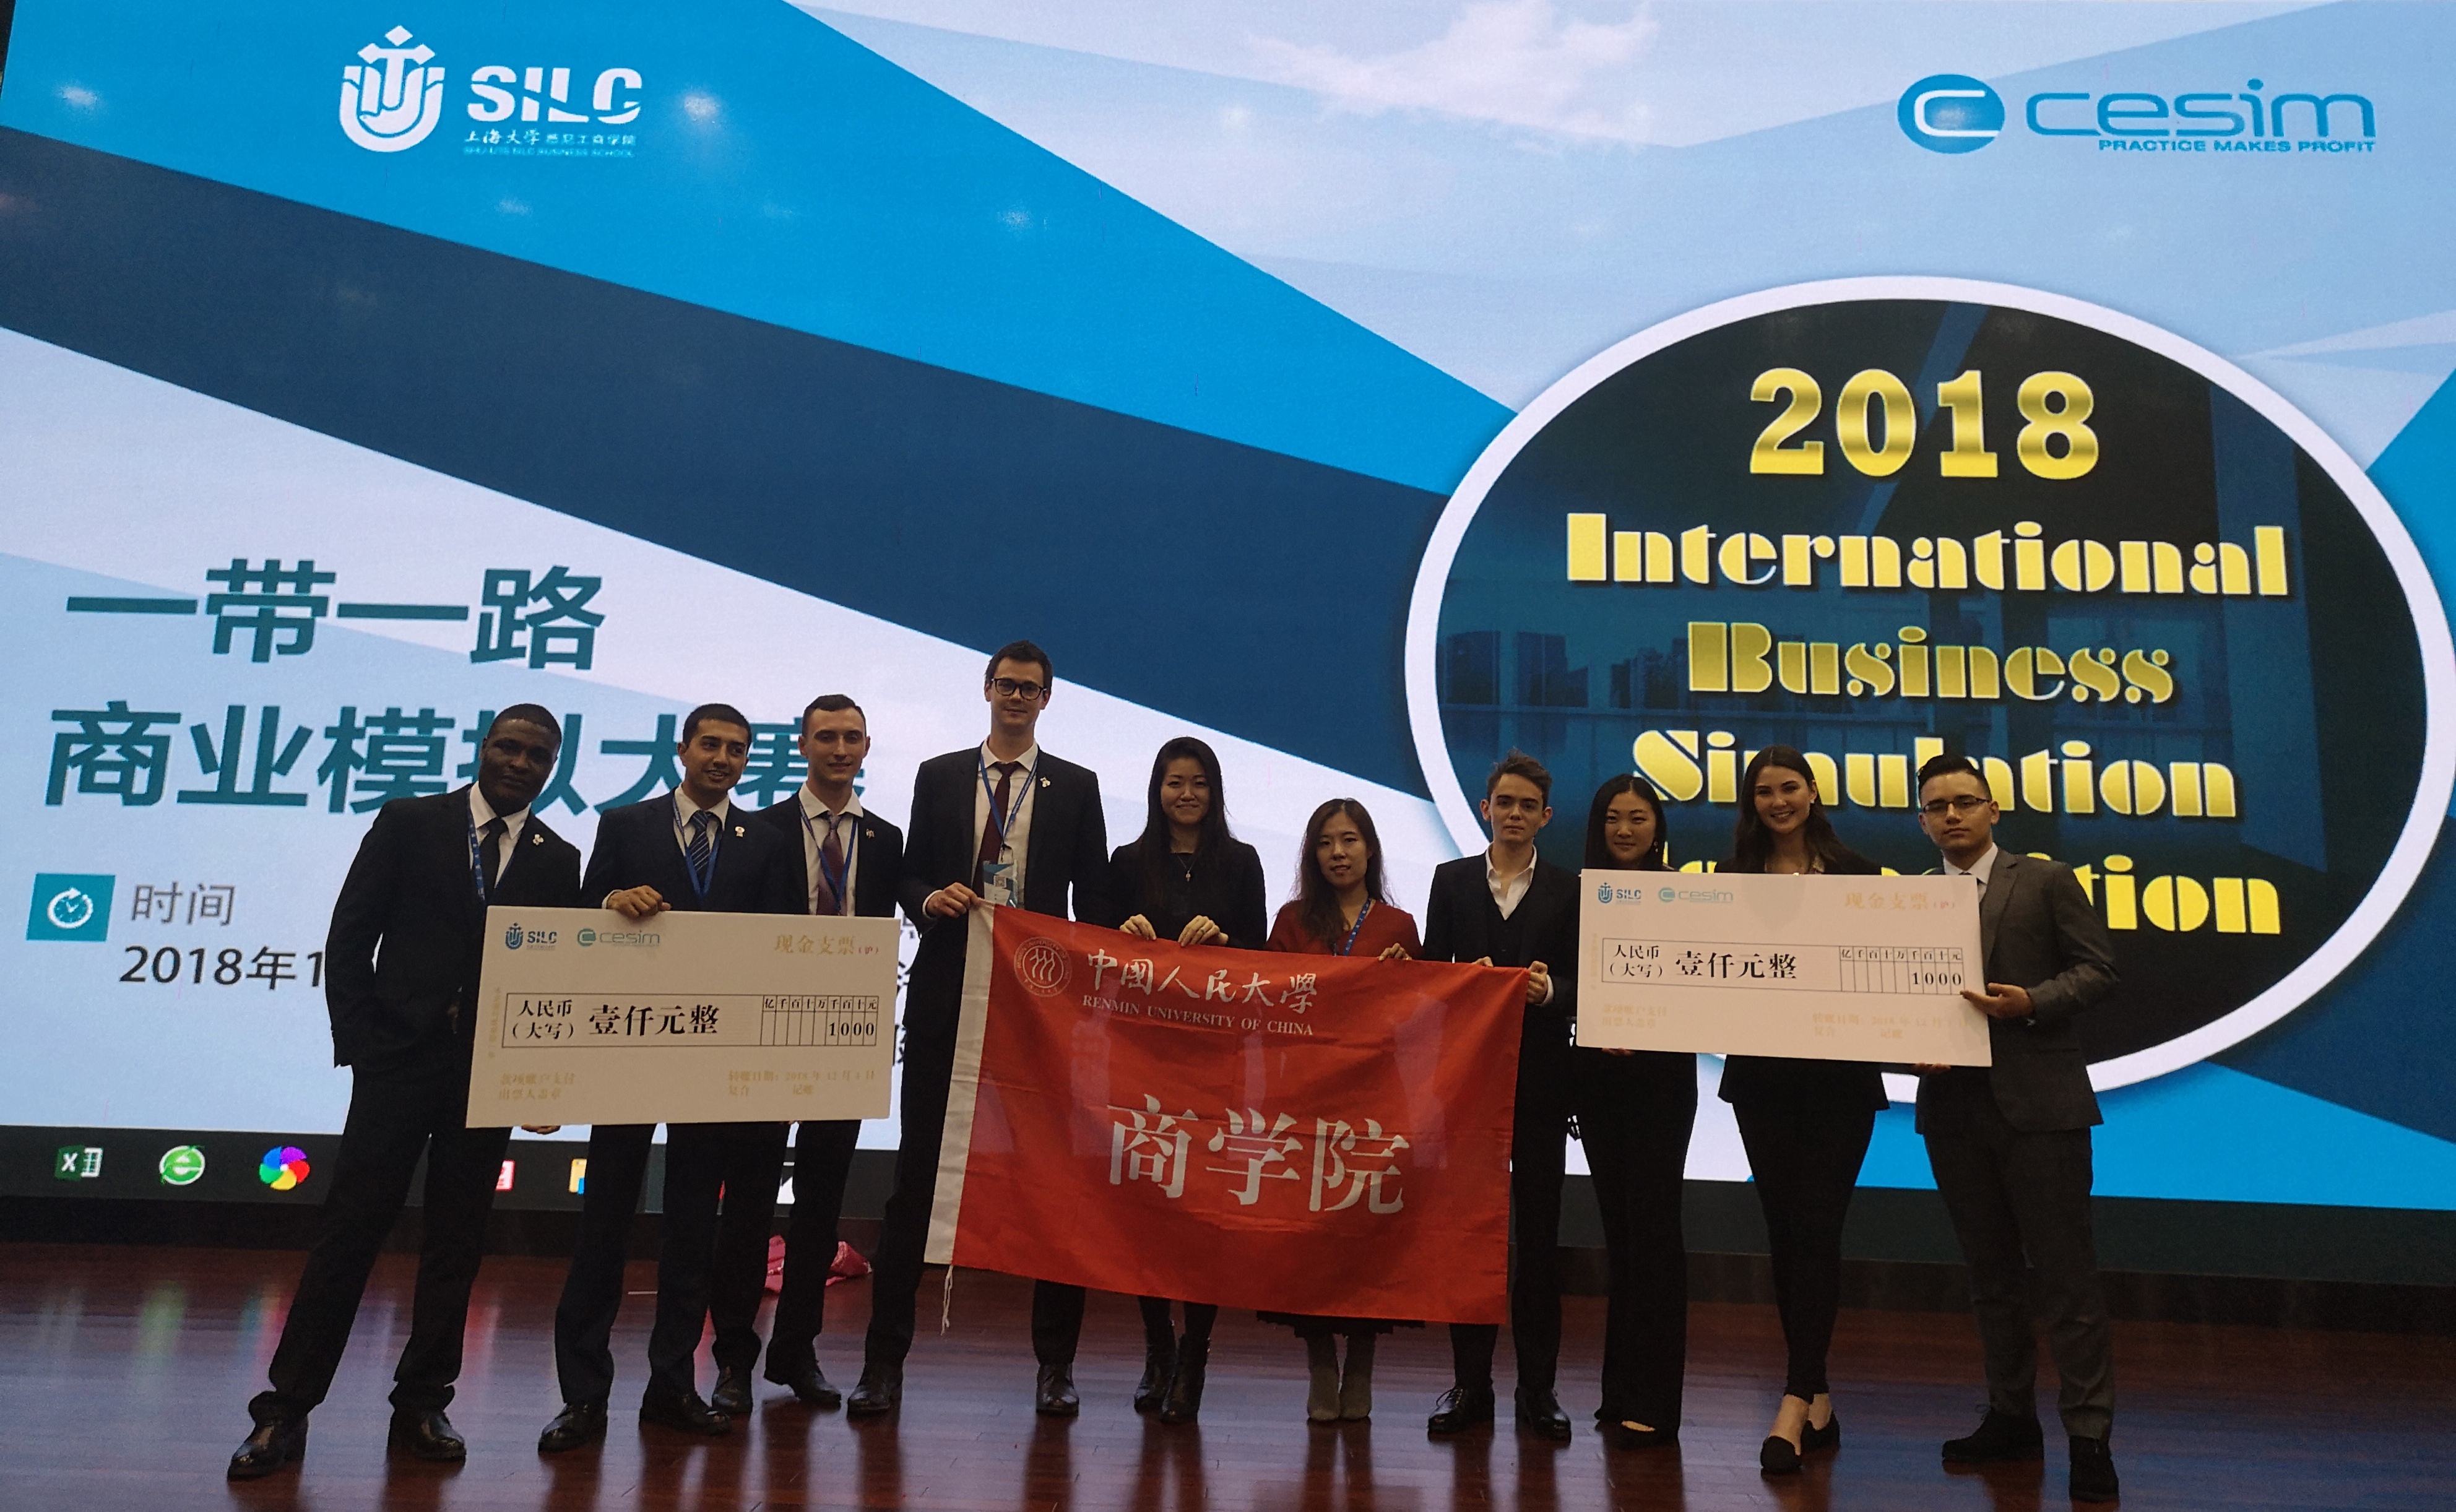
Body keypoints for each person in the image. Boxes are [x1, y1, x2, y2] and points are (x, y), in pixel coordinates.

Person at [228, 707, 582, 1480]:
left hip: (487, 1076)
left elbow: (559, 977)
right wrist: (362, 1043)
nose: (520, 763)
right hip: (396, 1063)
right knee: (350, 1231)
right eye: (508, 747)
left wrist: (547, 1074)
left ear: (553, 767)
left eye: (537, 755)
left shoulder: (560, 859)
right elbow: (351, 933)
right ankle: (285, 1408)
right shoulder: (411, 821)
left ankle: (423, 1401)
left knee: (457, 1242)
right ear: (483, 748)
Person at [847, 641, 1115, 1419]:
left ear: (1047, 698)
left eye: (1030, 688)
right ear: (986, 689)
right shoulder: (938, 775)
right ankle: (882, 1363)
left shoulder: (1076, 786)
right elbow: (908, 873)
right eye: (1005, 684)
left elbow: (1094, 896)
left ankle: (1055, 1366)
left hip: (1039, 1009)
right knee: (916, 1180)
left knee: (1054, 1181)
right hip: (945, 997)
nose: (1016, 697)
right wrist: (926, 899)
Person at [539, 704, 802, 1449]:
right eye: (710, 744)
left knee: (690, 1233)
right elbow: (581, 919)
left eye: (737, 749)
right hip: (627, 1053)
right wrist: (608, 902)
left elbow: (781, 944)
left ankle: (671, 1387)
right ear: (682, 749)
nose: (722, 758)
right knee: (604, 1226)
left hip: (712, 1064)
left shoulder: (766, 841)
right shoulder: (626, 824)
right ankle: (582, 1395)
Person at [1911, 753, 2122, 1503]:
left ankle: (2088, 1436)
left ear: (1993, 809)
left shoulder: (2043, 879)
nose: (1951, 815)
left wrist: (2029, 1002)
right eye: (1936, 806)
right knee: (1990, 1279)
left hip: (2041, 1108)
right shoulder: (1906, 900)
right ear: (1922, 821)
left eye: (1964, 801)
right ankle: (2009, 1417)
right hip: (1952, 1112)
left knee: (2066, 1281)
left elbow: (2097, 970)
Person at [1716, 745, 1887, 1475]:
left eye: (1788, 787)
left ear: (1813, 793)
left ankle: (1792, 1401)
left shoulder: (1859, 875)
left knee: (1817, 1229)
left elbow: (1883, 973)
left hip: (1839, 1084)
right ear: (1750, 803)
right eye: (1763, 792)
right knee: (1786, 1236)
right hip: (1761, 1082)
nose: (1777, 801)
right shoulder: (1728, 878)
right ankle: (1816, 1398)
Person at [742, 694, 906, 1410]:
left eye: (852, 737)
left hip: (845, 1039)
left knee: (818, 1208)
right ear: (802, 745)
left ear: (866, 747)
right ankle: (732, 1360)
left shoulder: (885, 838)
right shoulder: (760, 829)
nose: (840, 749)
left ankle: (795, 1352)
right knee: (750, 1201)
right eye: (826, 736)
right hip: (764, 1033)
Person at [1417, 753, 1581, 1441]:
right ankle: (1470, 1385)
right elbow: (1429, 979)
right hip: (1469, 1086)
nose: (1514, 814)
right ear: (1485, 808)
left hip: (1543, 1085)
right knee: (1469, 1238)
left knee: (1539, 1241)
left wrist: (1552, 991)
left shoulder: (1571, 889)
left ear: (1546, 816)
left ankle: (1538, 1389)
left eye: (1527, 805)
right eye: (1504, 802)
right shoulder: (1450, 880)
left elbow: (1585, 985)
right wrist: (1464, 982)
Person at [1109, 736, 1268, 1423]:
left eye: (1199, 782)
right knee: (1146, 1206)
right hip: (1143, 1057)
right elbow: (1096, 953)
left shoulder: (1241, 861)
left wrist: (1226, 943)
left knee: (1203, 1211)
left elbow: (1263, 955)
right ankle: (1157, 1348)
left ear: (1215, 790)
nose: (1186, 794)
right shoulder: (1126, 861)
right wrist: (1122, 934)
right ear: (1157, 789)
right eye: (1174, 782)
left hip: (1214, 1060)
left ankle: (1195, 1353)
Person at [1260, 797, 1421, 1422]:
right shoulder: (1292, 920)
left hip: (1377, 1101)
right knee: (1314, 1243)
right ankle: (1321, 1363)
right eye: (1326, 842)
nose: (1338, 853)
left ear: (1369, 849)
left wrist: (1407, 977)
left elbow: (1422, 1014)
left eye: (1349, 840)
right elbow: (1267, 1002)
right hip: (1306, 1100)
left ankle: (1361, 1365)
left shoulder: (1399, 925)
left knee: (1365, 1240)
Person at [1572, 774, 1698, 1449]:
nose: (1624, 830)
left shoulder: (1685, 894)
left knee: (1654, 1235)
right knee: (1619, 1236)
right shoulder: (1579, 894)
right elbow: (1569, 984)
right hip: (1597, 1081)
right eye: (1613, 818)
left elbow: (1703, 983)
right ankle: (1620, 1389)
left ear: (1658, 827)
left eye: (1638, 818)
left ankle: (1657, 1400)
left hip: (1660, 1083)